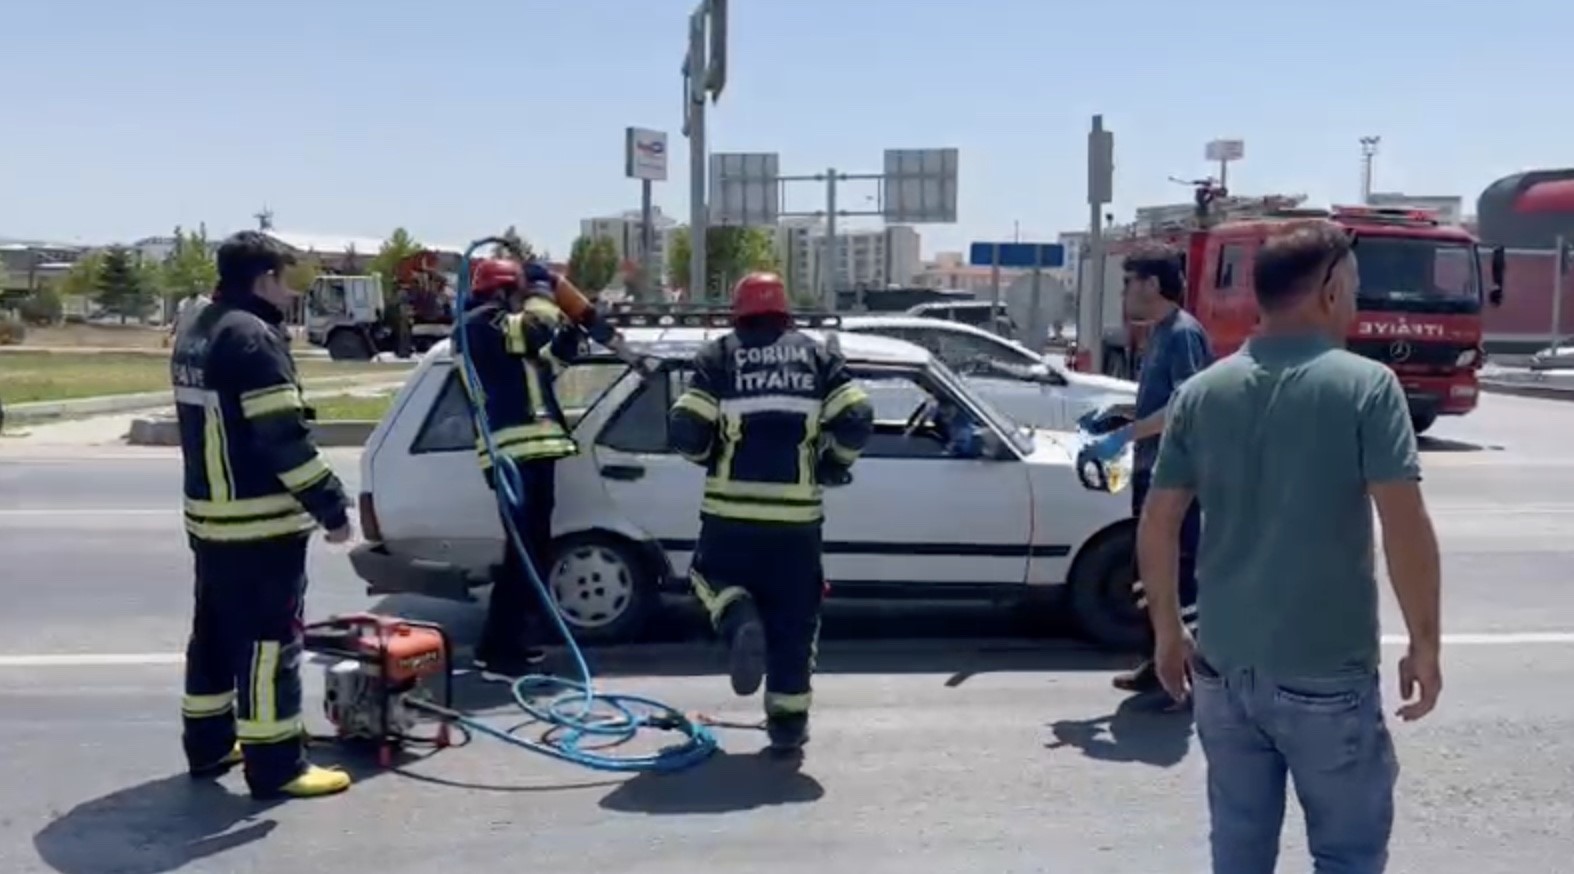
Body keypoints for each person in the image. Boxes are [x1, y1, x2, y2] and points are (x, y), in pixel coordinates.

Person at [1138, 219, 1442, 873]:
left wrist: (1166, 631)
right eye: (1355, 288)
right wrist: (1425, 643)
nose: (1357, 304)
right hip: (1325, 671)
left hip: (1221, 668)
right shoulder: (1366, 386)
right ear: (1330, 289)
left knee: (1239, 852)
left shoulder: (1202, 392)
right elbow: (1404, 525)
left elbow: (1158, 521)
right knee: (1348, 855)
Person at [173, 231, 354, 800]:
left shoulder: (199, 330)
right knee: (269, 643)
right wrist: (330, 505)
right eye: (285, 278)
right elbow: (282, 437)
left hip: (210, 517)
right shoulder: (253, 338)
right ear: (264, 280)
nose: (291, 289)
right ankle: (276, 764)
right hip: (258, 522)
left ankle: (208, 743)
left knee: (214, 634)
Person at [668, 272, 875, 753]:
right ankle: (787, 724)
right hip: (796, 524)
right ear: (786, 310)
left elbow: (685, 427)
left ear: (738, 311)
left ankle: (737, 614)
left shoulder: (720, 355)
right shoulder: (817, 354)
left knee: (706, 575)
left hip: (729, 515)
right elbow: (857, 417)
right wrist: (833, 464)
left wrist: (710, 457)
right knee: (795, 620)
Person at [458, 257, 611, 679]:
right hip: (512, 456)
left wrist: (574, 333)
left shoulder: (506, 334)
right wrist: (545, 289)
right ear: (506, 291)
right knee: (523, 557)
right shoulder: (477, 323)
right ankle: (498, 651)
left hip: (535, 451)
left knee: (531, 554)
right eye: (521, 293)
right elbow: (534, 329)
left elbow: (543, 367)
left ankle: (509, 644)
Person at [1109, 243, 1213, 695]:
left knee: (1177, 574)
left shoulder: (1182, 334)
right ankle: (1160, 662)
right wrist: (1118, 418)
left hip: (1177, 477)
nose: (1124, 292)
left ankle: (1187, 678)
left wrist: (1124, 436)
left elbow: (1183, 405)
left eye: (1129, 281)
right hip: (1154, 470)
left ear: (1152, 284)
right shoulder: (1161, 332)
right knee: (1147, 572)